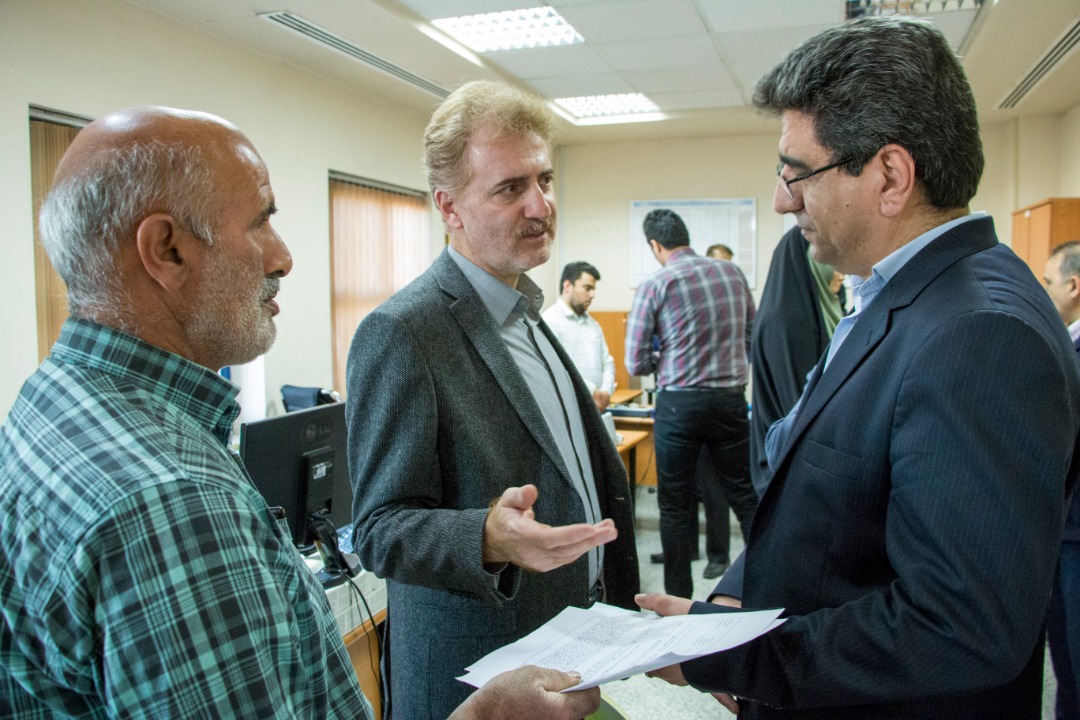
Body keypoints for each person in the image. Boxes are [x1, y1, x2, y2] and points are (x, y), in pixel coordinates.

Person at [0, 105, 600, 720]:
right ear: (167, 250)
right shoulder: (171, 502)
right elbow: (382, 525)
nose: (283, 257)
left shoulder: (52, 406)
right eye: (261, 221)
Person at [637, 17, 1080, 719]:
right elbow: (828, 501)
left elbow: (958, 625)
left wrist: (742, 656)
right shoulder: (901, 293)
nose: (783, 199)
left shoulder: (977, 336)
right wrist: (735, 601)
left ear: (891, 177)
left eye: (796, 172)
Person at [346, 80, 639, 719]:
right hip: (478, 681)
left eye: (545, 180)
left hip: (567, 652)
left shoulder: (527, 311)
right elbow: (378, 529)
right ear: (449, 207)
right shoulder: (403, 331)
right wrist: (486, 535)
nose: (541, 205)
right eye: (510, 189)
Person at [625, 208, 758, 598]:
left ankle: (677, 601)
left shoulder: (656, 283)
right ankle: (767, 585)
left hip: (679, 405)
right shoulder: (732, 273)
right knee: (744, 495)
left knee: (675, 505)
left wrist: (664, 358)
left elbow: (635, 362)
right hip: (730, 400)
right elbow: (751, 337)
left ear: (655, 245)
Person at [747, 226, 843, 496]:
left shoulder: (823, 307)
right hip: (791, 471)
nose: (840, 273)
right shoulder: (788, 323)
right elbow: (800, 408)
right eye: (828, 260)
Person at [1043, 240, 1080, 720]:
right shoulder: (1066, 341)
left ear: (1073, 286)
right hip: (1065, 531)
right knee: (1066, 663)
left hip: (1077, 535)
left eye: (1048, 281)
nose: (1044, 290)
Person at [542, 261, 617, 411]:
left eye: (593, 289)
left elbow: (608, 363)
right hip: (569, 407)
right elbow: (556, 368)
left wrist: (605, 392)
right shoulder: (549, 321)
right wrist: (592, 392)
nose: (593, 295)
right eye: (587, 288)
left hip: (598, 407)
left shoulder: (593, 325)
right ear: (567, 286)